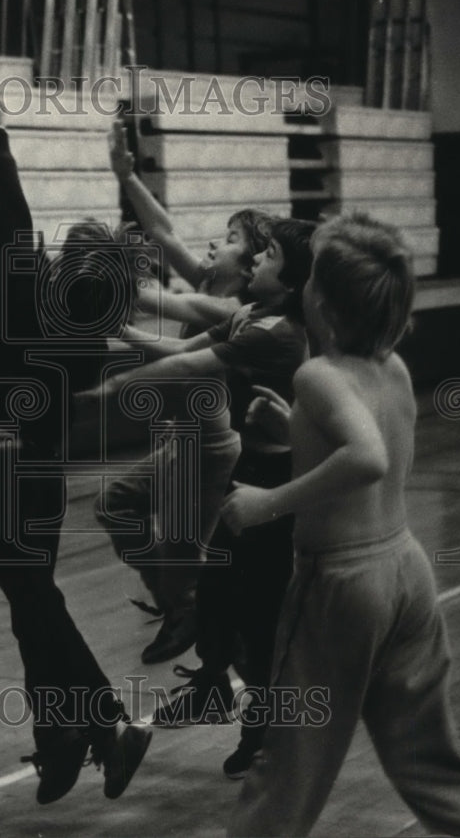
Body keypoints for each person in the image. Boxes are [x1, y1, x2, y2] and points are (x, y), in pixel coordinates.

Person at [220, 214, 460, 837]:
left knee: (288, 768)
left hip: (340, 585)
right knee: (428, 757)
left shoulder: (317, 375)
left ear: (318, 299)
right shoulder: (391, 366)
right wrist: (292, 433)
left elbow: (367, 458)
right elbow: (365, 443)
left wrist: (264, 504)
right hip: (406, 573)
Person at [0, 86, 152, 806]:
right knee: (31, 604)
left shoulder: (23, 296)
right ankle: (62, 738)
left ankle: (105, 722)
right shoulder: (89, 330)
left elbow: (11, 222)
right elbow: (108, 259)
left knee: (35, 605)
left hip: (3, 467)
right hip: (43, 472)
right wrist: (123, 187)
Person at [91, 218, 315, 667]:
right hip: (216, 454)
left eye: (259, 251)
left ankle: (225, 658)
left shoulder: (268, 327)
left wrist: (110, 387)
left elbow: (187, 364)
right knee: (121, 510)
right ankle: (200, 635)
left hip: (245, 464)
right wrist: (116, 322)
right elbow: (179, 347)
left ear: (291, 281)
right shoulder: (247, 313)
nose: (248, 255)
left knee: (238, 601)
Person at [108, 120, 273, 337]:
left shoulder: (232, 308)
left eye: (230, 240)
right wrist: (127, 176)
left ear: (247, 268)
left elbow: (148, 298)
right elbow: (164, 233)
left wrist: (93, 271)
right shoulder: (209, 282)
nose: (214, 242)